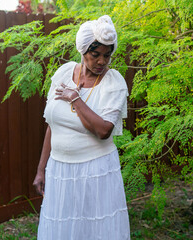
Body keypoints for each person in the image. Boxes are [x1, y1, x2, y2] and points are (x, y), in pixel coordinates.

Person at [33, 15, 130, 240]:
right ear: (82, 50)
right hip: (59, 171)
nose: (101, 61)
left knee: (93, 229)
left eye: (107, 55)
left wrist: (76, 99)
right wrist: (41, 169)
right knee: (63, 230)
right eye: (95, 54)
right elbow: (51, 126)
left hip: (95, 171)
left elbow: (104, 130)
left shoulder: (113, 82)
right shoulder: (63, 73)